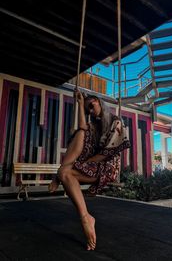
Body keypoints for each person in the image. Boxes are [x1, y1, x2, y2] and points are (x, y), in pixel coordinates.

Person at [49, 89, 131, 251]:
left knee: (63, 171)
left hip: (106, 168)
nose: (91, 112)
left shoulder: (116, 122)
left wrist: (84, 163)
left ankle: (58, 175)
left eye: (91, 106)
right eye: (88, 111)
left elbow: (105, 154)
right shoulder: (94, 125)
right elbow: (81, 127)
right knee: (79, 135)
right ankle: (86, 217)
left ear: (99, 102)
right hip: (91, 163)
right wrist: (80, 103)